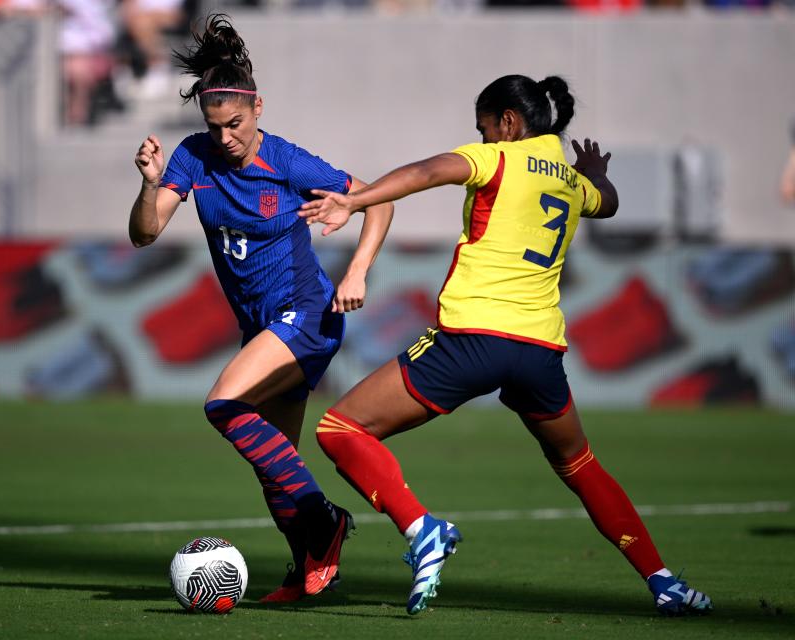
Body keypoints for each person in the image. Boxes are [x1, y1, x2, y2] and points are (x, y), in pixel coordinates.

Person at [300, 74, 714, 617]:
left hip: (473, 336)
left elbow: (426, 172)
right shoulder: (570, 180)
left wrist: (355, 201)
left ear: (509, 123)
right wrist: (597, 175)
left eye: (485, 128)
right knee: (580, 462)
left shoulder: (498, 159)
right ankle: (663, 581)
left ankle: (423, 530)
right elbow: (607, 203)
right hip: (539, 350)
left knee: (340, 429)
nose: (481, 137)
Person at [127, 14, 394, 602]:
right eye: (214, 124)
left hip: (307, 314)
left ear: (258, 109)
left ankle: (326, 522)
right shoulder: (192, 158)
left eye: (236, 123)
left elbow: (378, 201)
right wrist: (149, 184)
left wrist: (357, 269)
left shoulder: (289, 162)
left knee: (223, 404)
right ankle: (306, 573)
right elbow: (145, 234)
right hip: (263, 327)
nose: (226, 137)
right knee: (273, 464)